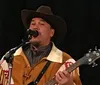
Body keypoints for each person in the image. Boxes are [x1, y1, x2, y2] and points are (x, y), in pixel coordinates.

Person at [0, 5, 82, 85]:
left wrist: (69, 84)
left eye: (41, 24)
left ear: (51, 32)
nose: (35, 27)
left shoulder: (65, 62)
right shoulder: (10, 57)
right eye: (33, 24)